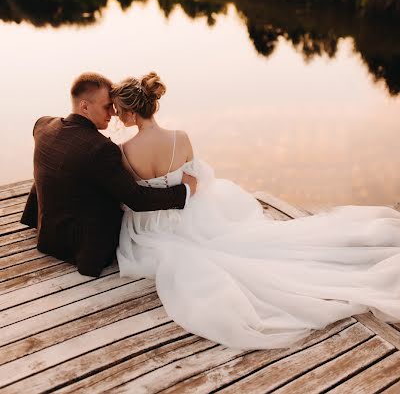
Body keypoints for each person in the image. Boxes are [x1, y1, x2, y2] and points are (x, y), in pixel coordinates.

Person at [111, 71, 400, 351]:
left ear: (133, 113)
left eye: (120, 110)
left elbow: (132, 198)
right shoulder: (180, 138)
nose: (116, 114)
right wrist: (184, 184)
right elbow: (199, 182)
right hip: (189, 215)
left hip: (153, 227)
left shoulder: (124, 151)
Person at [20, 72, 196, 277]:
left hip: (48, 238)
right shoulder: (101, 149)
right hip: (85, 250)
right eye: (106, 106)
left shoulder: (43, 125)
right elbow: (138, 200)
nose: (113, 113)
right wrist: (185, 190)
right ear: (84, 106)